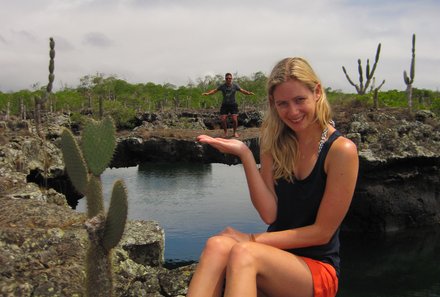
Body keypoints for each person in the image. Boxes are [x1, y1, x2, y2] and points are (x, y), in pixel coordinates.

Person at [187, 57, 359, 297]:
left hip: (316, 268)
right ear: (273, 103)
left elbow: (322, 232)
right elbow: (270, 214)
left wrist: (249, 238)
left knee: (244, 252)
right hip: (274, 256)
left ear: (317, 92)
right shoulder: (274, 143)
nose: (293, 111)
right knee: (216, 245)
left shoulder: (341, 150)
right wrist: (246, 155)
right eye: (283, 104)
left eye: (300, 100)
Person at [202, 73, 254, 138]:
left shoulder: (235, 85)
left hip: (233, 104)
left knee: (235, 119)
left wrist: (249, 93)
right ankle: (225, 133)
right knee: (223, 119)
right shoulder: (222, 86)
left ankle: (234, 132)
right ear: (225, 79)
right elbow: (215, 90)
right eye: (227, 78)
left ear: (231, 79)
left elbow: (242, 90)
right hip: (225, 105)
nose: (228, 79)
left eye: (230, 78)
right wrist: (208, 93)